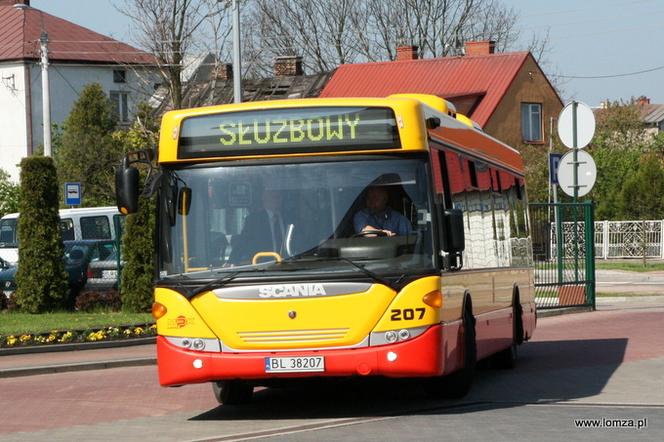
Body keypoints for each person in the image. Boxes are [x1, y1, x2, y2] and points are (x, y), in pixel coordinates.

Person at [229, 188, 286, 264]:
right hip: (263, 267)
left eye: (279, 196)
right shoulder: (253, 220)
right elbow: (243, 242)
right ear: (264, 198)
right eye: (273, 196)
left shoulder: (289, 218)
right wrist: (232, 261)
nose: (277, 199)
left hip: (289, 265)